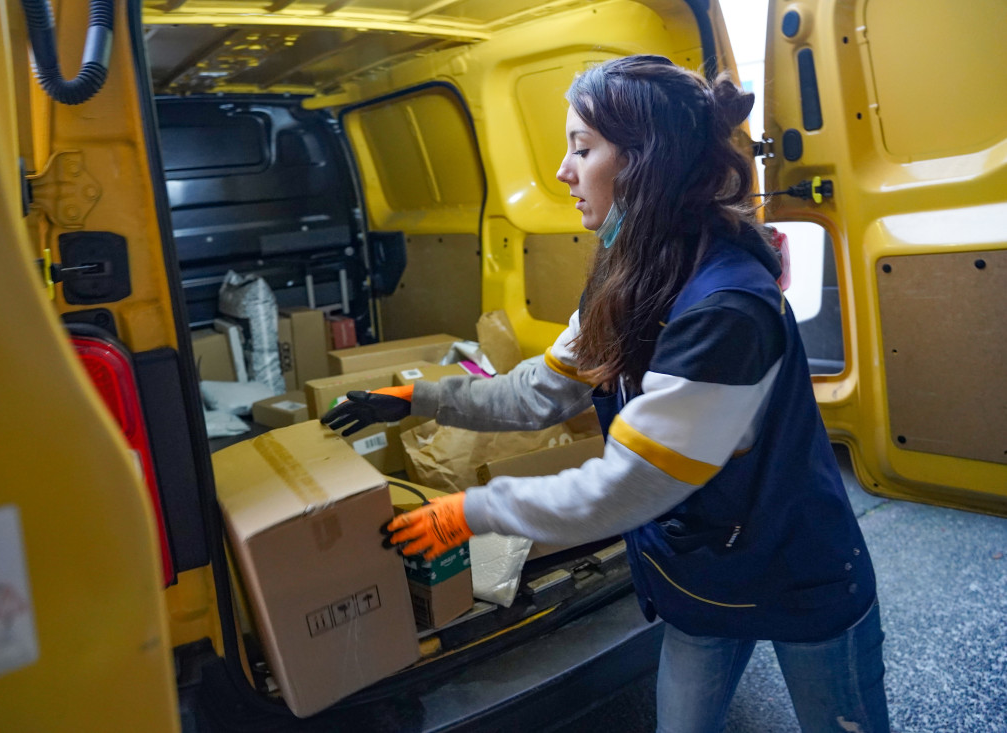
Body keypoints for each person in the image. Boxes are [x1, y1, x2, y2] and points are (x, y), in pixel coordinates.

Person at [322, 55, 889, 733]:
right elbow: (541, 393)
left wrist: (472, 510)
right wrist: (421, 400)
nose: (564, 172)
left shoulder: (725, 308)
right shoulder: (632, 271)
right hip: (699, 577)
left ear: (649, 161)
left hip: (800, 573)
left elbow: (628, 488)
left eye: (582, 149)